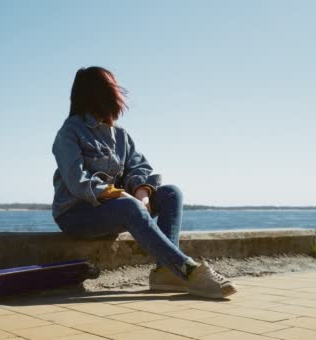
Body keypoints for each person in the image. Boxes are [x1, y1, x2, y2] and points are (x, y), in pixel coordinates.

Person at [51, 66, 236, 299]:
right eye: (112, 87)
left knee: (171, 193)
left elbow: (139, 167)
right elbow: (78, 182)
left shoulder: (120, 135)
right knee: (129, 206)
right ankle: (188, 270)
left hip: (116, 211)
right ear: (96, 93)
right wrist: (122, 196)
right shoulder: (70, 131)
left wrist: (142, 192)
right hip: (76, 215)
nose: (119, 93)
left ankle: (164, 273)